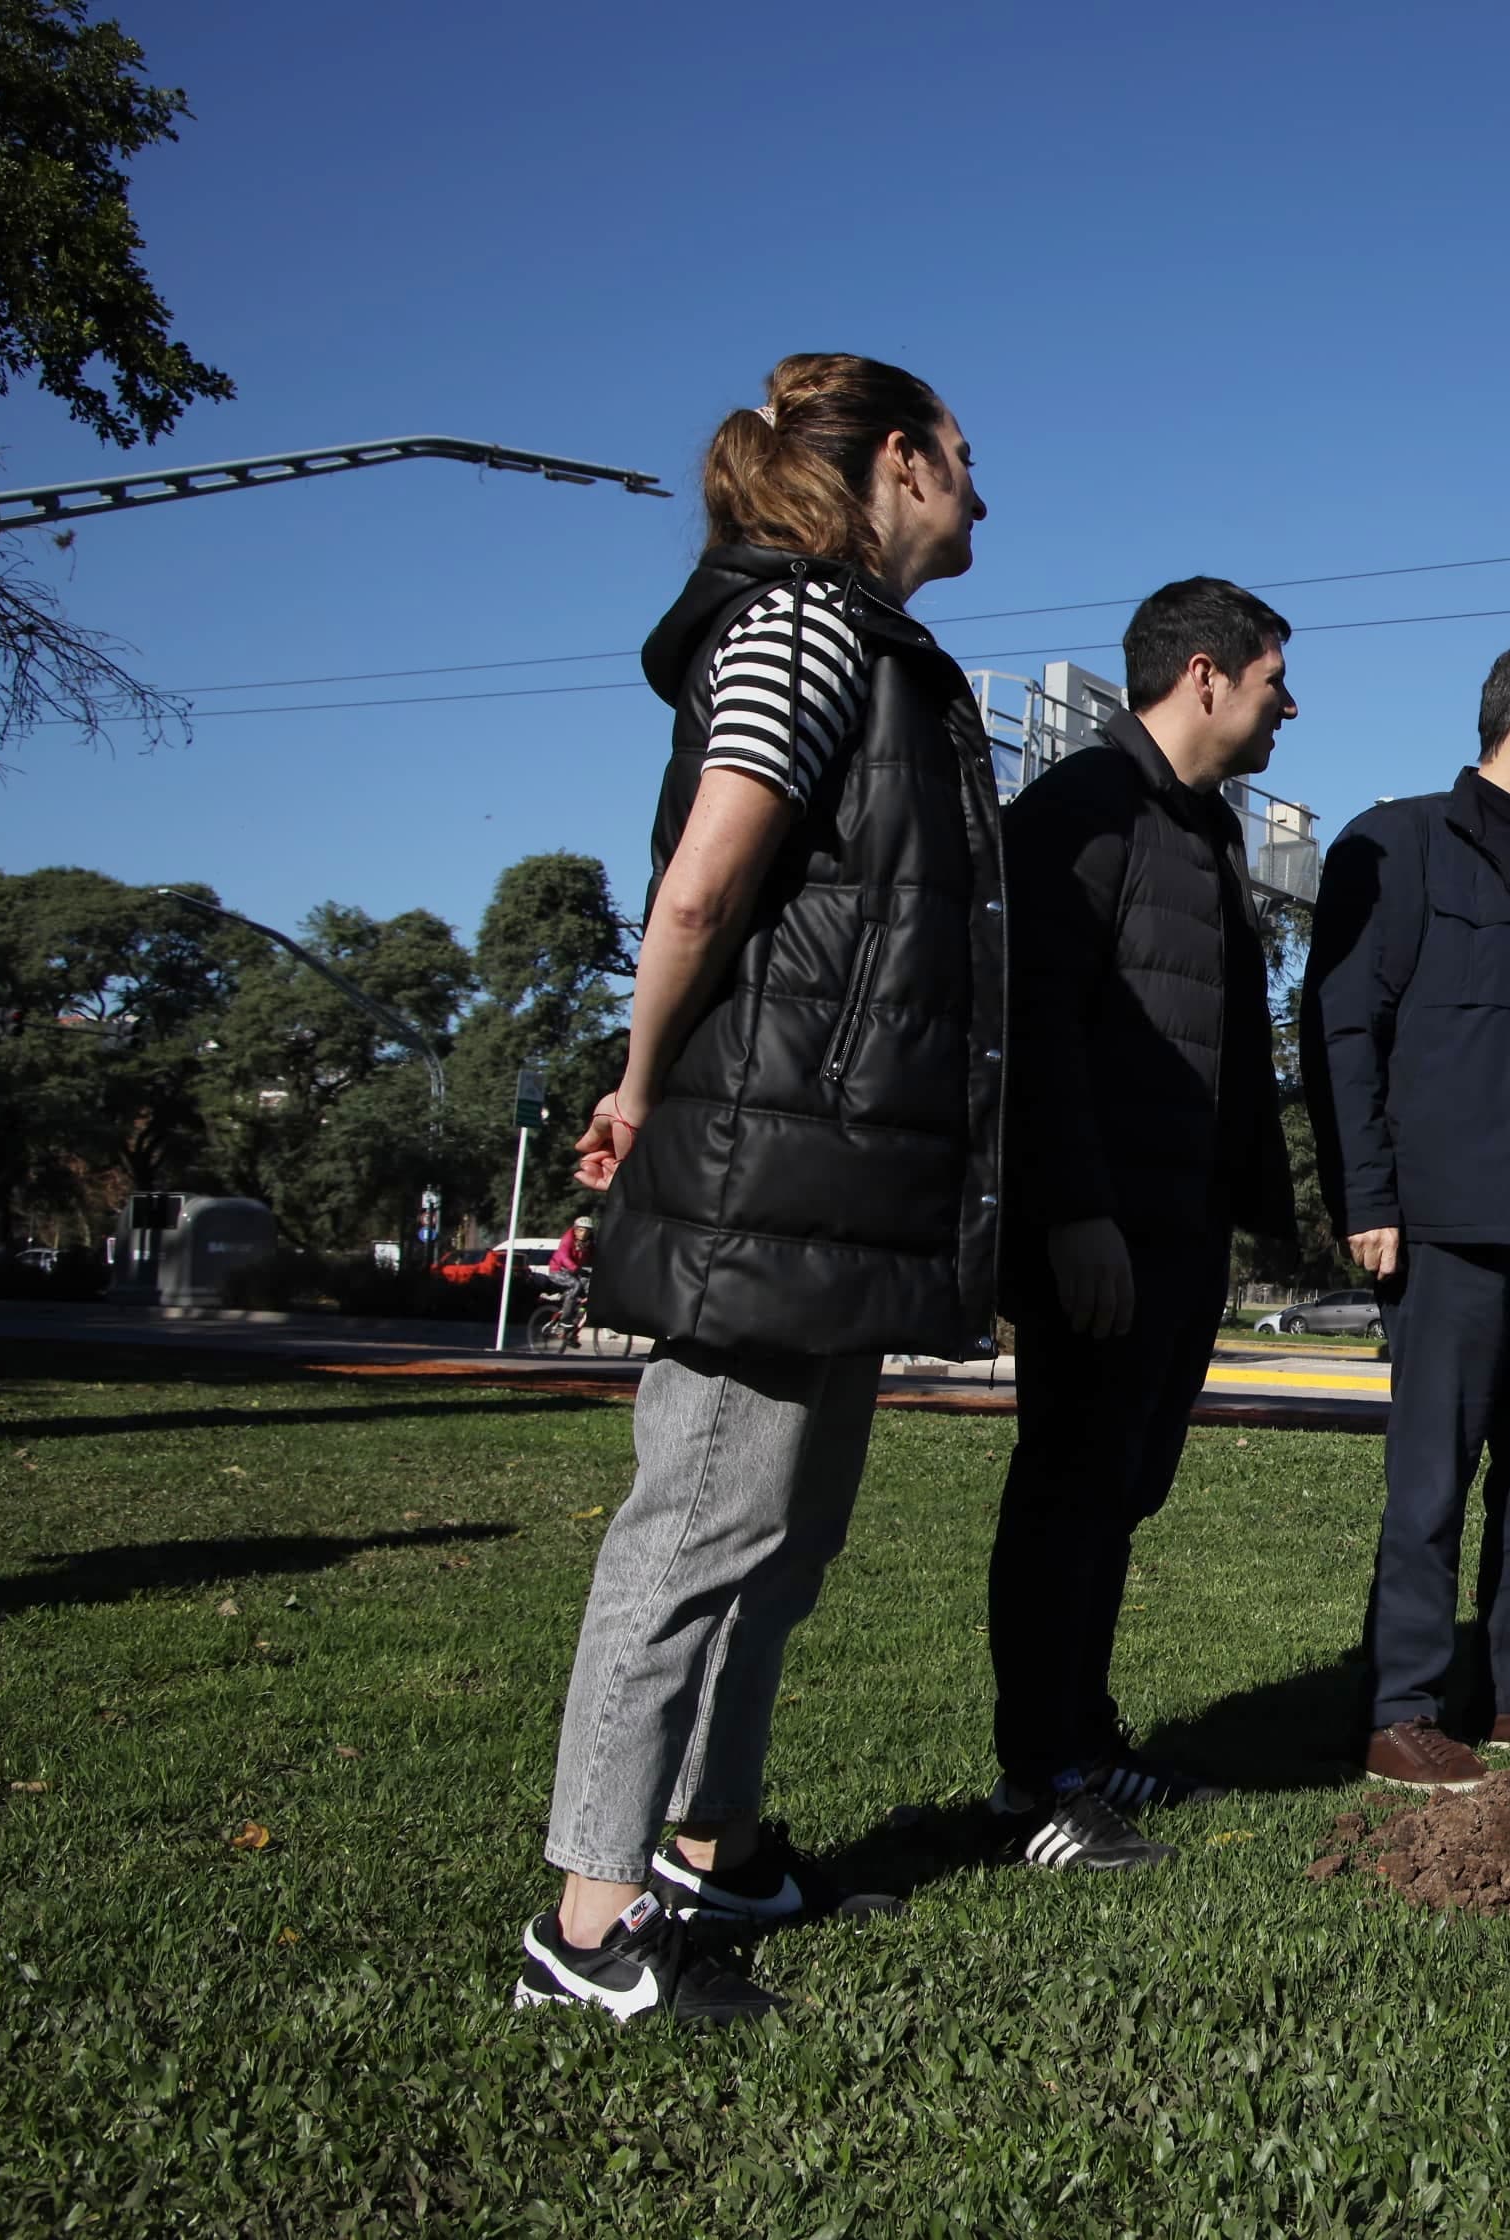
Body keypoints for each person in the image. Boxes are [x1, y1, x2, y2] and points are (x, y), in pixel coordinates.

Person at [522, 353, 997, 2022]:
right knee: (698, 1526)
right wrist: (637, 1079)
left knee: (781, 1537)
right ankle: (586, 1927)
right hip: (756, 1152)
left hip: (829, 1163)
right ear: (899, 465)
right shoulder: (793, 624)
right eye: (962, 459)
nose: (982, 497)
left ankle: (712, 1851)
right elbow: (708, 880)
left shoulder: (859, 640)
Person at [983, 578, 1301, 1870]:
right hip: (1099, 1229)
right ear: (1209, 676)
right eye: (1279, 680)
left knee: (1118, 1495)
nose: (1292, 706)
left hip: (1177, 1224)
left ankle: (1087, 1739)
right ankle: (1036, 1783)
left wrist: (1253, 1210)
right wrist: (1073, 1212)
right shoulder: (1082, 809)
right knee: (1067, 1492)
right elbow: (1033, 1024)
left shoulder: (1204, 829)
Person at [1300, 644, 1510, 1790]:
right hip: (1455, 1216)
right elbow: (1345, 1026)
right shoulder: (1398, 842)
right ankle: (1402, 1707)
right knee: (1434, 1476)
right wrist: (1370, 1195)